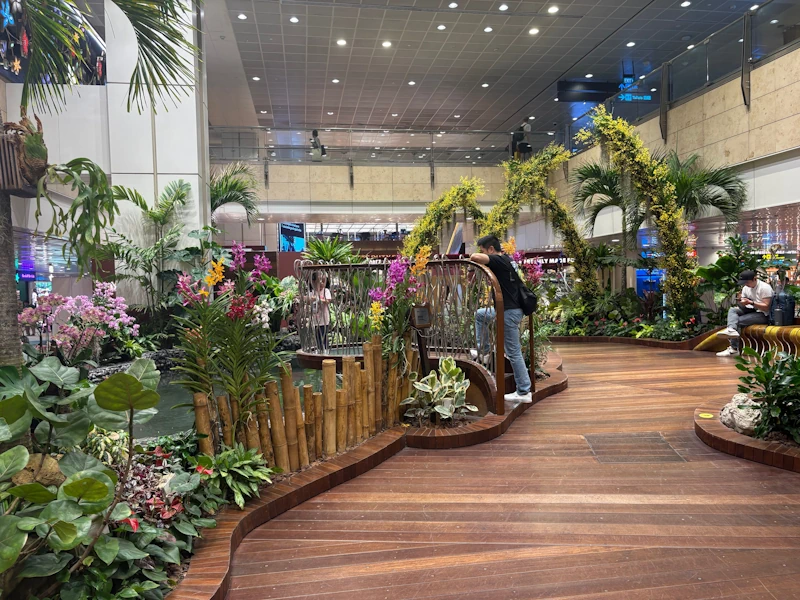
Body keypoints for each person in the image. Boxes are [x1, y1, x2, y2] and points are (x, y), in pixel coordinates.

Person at [469, 235, 532, 403]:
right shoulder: (507, 260)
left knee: (513, 352)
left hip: (509, 312)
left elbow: (475, 257)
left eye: (483, 250)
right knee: (481, 315)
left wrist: (480, 256)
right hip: (507, 310)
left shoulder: (498, 259)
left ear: (491, 249)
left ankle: (524, 391)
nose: (481, 253)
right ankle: (484, 351)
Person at [716, 269, 773, 357]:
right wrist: (742, 301)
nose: (746, 284)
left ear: (754, 279)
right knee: (733, 310)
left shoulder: (765, 288)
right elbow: (745, 300)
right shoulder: (746, 288)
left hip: (764, 314)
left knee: (738, 321)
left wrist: (751, 302)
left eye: (747, 282)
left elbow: (766, 307)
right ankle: (731, 329)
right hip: (751, 310)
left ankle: (734, 349)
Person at [309, 271, 331, 351]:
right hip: (315, 320)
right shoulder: (312, 292)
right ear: (313, 282)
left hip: (324, 319)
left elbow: (328, 301)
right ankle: (319, 350)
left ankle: (325, 350)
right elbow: (308, 300)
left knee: (323, 336)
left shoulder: (326, 291)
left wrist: (318, 299)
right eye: (319, 281)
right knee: (317, 336)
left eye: (323, 281)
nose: (321, 283)